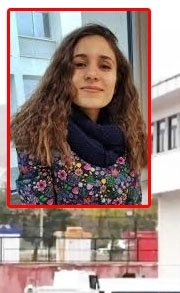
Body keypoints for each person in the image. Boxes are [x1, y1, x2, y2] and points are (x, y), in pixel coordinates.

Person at [10, 23, 147, 206]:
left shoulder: (130, 135)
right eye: (80, 64)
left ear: (117, 82)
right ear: (62, 76)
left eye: (105, 66)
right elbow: (41, 217)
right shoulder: (39, 137)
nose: (92, 74)